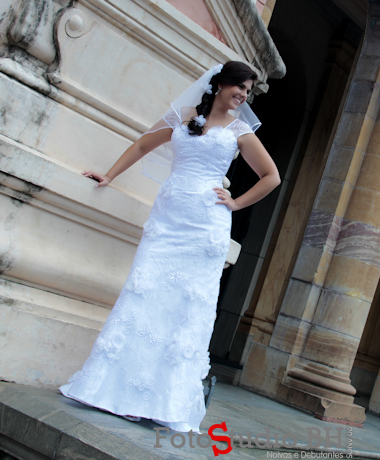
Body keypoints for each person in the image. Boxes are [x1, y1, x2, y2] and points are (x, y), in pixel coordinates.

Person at [59, 62, 280, 434]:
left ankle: (165, 400)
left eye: (248, 91)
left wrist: (236, 203)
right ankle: (114, 389)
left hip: (205, 227)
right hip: (167, 219)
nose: (243, 95)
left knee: (186, 308)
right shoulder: (184, 115)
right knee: (143, 292)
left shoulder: (239, 131)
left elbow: (271, 176)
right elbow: (144, 143)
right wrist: (109, 175)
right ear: (220, 84)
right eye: (240, 87)